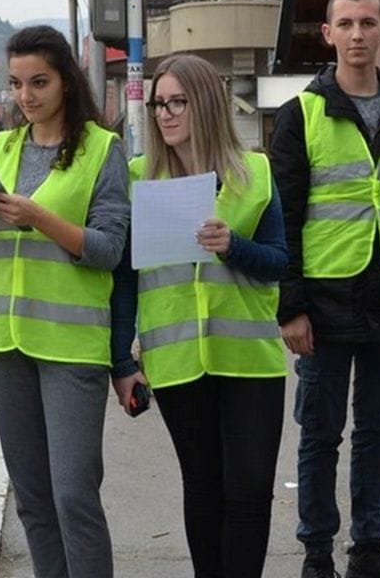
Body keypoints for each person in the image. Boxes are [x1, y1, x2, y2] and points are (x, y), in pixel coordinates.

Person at [269, 0, 380, 578]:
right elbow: (282, 219)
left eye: (369, 22)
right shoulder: (301, 115)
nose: (358, 34)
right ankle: (317, 557)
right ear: (328, 34)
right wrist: (289, 307)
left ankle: (369, 549)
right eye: (346, 24)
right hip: (324, 300)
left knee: (377, 431)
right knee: (320, 435)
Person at [110, 54, 289, 578]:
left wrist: (234, 246)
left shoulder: (254, 171)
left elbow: (279, 262)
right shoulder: (139, 178)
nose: (165, 114)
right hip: (177, 361)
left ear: (206, 104)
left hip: (250, 360)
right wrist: (121, 361)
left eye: (177, 102)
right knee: (205, 488)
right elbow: (124, 279)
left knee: (251, 491)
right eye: (159, 103)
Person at [0, 25, 130, 578]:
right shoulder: (2, 146)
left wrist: (37, 217)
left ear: (66, 80)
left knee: (73, 497)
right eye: (15, 84)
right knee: (33, 500)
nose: (26, 96)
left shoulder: (101, 149)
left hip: (71, 348)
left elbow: (109, 249)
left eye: (38, 82)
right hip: (6, 340)